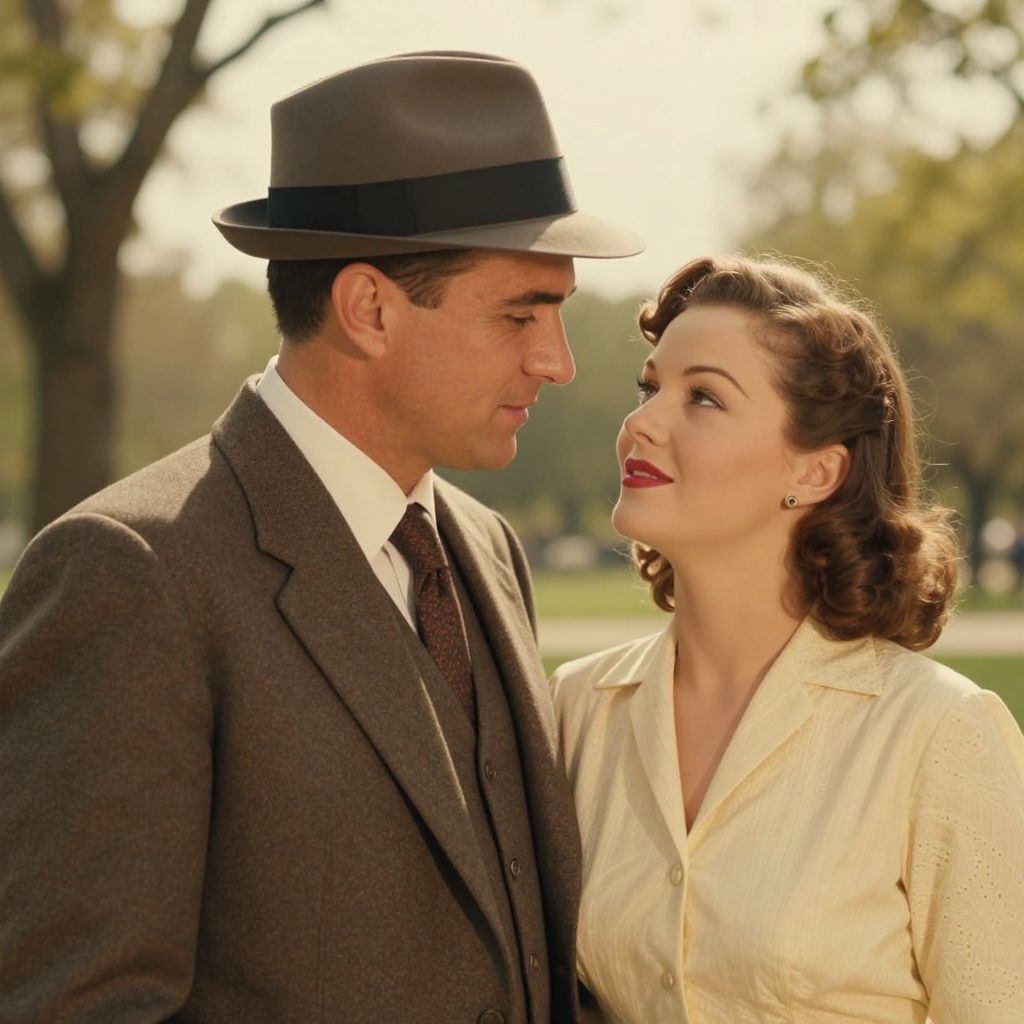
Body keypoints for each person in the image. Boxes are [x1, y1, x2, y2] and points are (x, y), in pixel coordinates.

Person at [0, 52, 642, 1023]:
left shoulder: (487, 548)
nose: (556, 361)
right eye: (521, 314)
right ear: (369, 309)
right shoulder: (132, 572)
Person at [550, 255, 1024, 1024]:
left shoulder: (936, 734)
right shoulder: (577, 709)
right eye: (649, 388)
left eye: (703, 397)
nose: (641, 424)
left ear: (816, 472)